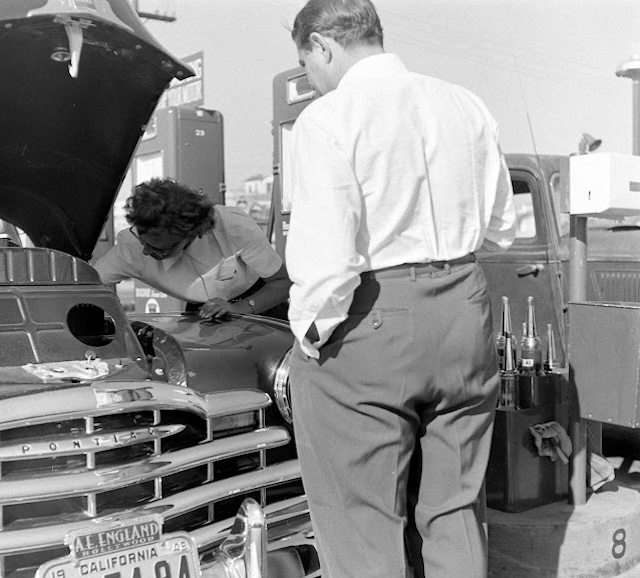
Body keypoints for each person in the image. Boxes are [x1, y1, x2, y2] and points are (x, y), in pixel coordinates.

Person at [285, 1, 517, 577]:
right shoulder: (465, 104)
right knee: (456, 509)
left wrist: (310, 338)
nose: (310, 76)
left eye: (305, 62)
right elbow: (503, 227)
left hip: (372, 315)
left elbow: (327, 260)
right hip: (464, 305)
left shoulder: (327, 118)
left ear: (322, 46)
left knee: (362, 521)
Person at [94, 178, 290, 319]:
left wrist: (242, 307)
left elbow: (282, 283)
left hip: (261, 304)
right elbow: (86, 280)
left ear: (191, 233)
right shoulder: (131, 246)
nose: (146, 252)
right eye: (143, 242)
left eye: (160, 250)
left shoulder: (233, 225)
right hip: (203, 312)